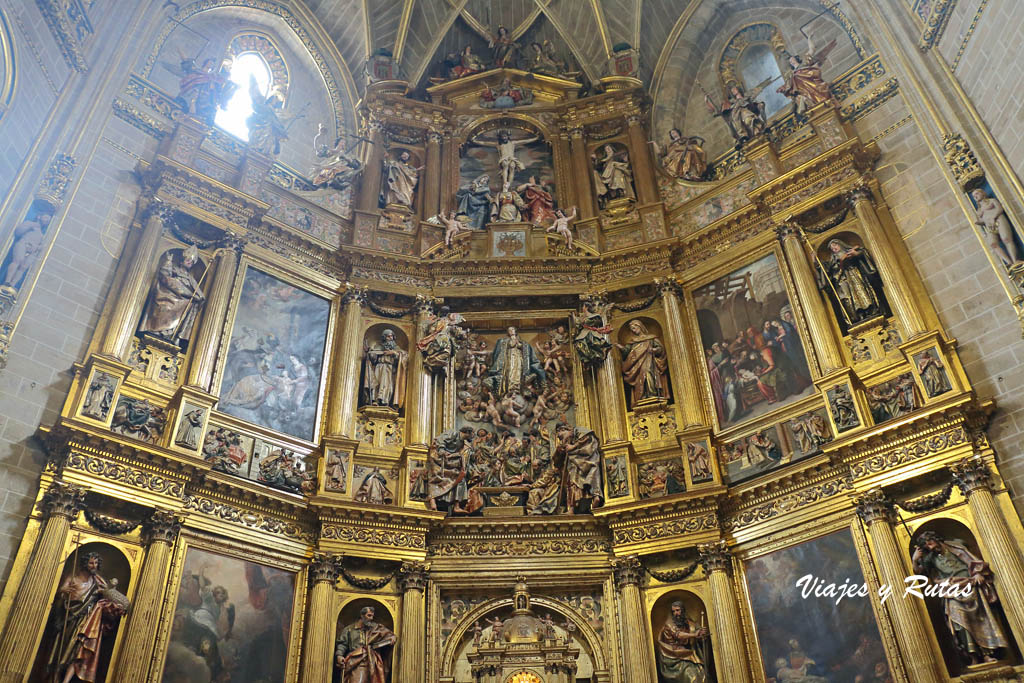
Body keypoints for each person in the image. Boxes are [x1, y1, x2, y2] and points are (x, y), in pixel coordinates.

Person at [912, 531, 1010, 665]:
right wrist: (915, 559)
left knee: (980, 620)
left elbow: (971, 560)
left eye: (930, 543)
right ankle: (973, 657)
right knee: (959, 622)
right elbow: (920, 573)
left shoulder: (956, 547)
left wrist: (977, 573)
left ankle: (986, 653)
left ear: (935, 538)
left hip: (970, 586)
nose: (930, 547)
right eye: (926, 546)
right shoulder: (929, 559)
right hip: (951, 590)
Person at [43, 552, 129, 683]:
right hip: (69, 618)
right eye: (91, 563)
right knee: (62, 649)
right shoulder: (73, 577)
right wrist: (65, 592)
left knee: (77, 649)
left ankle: (66, 680)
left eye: (96, 563)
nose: (94, 565)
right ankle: (55, 677)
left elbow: (108, 594)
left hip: (86, 619)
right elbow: (61, 591)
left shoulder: (98, 581)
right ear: (85, 563)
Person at [137, 245, 206, 347]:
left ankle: (174, 335)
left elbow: (199, 293)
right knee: (165, 305)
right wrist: (168, 262)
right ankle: (157, 330)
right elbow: (165, 276)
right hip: (167, 294)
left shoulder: (190, 278)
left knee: (190, 305)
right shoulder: (174, 269)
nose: (189, 263)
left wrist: (199, 298)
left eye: (191, 262)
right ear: (183, 259)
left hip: (183, 301)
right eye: (188, 260)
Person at [824, 238, 884, 324]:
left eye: (835, 245)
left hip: (856, 274)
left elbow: (862, 253)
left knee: (862, 291)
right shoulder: (833, 259)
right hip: (844, 279)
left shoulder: (850, 250)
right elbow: (832, 271)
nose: (835, 248)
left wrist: (856, 254)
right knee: (849, 297)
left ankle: (870, 310)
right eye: (832, 248)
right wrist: (841, 263)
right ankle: (857, 315)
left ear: (840, 244)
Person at [335, 606, 396, 683]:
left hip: (372, 661)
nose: (371, 618)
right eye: (369, 615)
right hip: (356, 661)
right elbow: (342, 644)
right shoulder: (349, 629)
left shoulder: (374, 628)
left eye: (372, 616)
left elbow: (387, 633)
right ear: (362, 615)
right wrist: (339, 655)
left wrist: (392, 637)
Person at [777, 39, 836, 118]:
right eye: (789, 61)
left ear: (796, 58)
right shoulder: (792, 74)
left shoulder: (803, 65)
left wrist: (809, 39)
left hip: (812, 87)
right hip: (804, 93)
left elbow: (812, 49)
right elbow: (789, 85)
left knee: (821, 97)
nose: (790, 61)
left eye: (792, 59)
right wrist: (782, 88)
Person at [617, 319, 670, 405]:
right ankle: (643, 396)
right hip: (637, 366)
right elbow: (627, 352)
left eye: (634, 328)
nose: (633, 330)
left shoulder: (651, 338)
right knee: (640, 379)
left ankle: (652, 394)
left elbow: (661, 349)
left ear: (640, 326)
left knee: (649, 374)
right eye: (632, 329)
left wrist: (655, 350)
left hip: (649, 361)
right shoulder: (633, 341)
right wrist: (621, 348)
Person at [485, 326, 546, 398]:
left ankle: (517, 387)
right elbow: (500, 350)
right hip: (509, 359)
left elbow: (525, 349)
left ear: (515, 331)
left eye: (512, 329)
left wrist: (520, 345)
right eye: (509, 330)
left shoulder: (522, 342)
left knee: (518, 371)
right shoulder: (504, 341)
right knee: (511, 371)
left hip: (519, 358)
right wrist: (511, 343)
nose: (511, 331)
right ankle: (511, 387)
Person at [656, 601, 709, 682]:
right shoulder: (669, 624)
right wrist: (694, 635)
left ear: (683, 611)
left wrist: (702, 634)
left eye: (678, 610)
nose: (676, 613)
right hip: (674, 658)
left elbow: (698, 634)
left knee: (703, 675)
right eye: (673, 611)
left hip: (689, 656)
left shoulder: (690, 623)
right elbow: (678, 634)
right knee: (693, 677)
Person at [970, 188, 1023, 268]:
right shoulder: (979, 209)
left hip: (999, 220)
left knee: (1006, 239)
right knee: (993, 244)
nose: (975, 196)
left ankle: (1015, 260)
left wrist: (993, 217)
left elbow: (999, 209)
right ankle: (1009, 262)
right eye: (974, 196)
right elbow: (981, 220)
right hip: (990, 227)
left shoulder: (992, 201)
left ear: (982, 193)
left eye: (977, 194)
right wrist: (978, 222)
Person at [557, 422, 603, 513]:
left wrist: (573, 447)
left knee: (592, 474)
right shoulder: (570, 439)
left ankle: (595, 497)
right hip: (577, 464)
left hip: (589, 459)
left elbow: (588, 440)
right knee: (572, 481)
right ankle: (572, 508)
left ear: (565, 430)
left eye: (561, 437)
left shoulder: (579, 431)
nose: (562, 440)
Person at [471, 129, 540, 188]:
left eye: (505, 136)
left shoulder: (512, 143)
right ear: (500, 137)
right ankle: (505, 183)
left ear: (508, 136)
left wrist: (535, 138)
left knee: (512, 166)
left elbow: (525, 141)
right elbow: (485, 143)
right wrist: (475, 141)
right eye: (503, 136)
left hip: (512, 158)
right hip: (503, 159)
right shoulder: (498, 144)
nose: (504, 138)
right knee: (505, 165)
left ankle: (509, 183)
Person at [2, 211, 50, 289]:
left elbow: (41, 246)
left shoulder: (41, 234)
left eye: (48, 220)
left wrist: (36, 247)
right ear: (39, 217)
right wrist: (29, 227)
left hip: (32, 251)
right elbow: (18, 232)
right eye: (46, 218)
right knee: (17, 261)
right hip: (23, 244)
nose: (47, 221)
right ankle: (7, 281)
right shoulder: (30, 224)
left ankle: (12, 284)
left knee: (23, 267)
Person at [363, 328, 408, 409]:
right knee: (376, 383)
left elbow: (404, 357)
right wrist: (370, 353)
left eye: (391, 337)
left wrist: (393, 353)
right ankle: (375, 400)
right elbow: (373, 359)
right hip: (379, 367)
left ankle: (385, 402)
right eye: (388, 337)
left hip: (389, 368)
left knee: (387, 385)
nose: (391, 338)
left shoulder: (396, 348)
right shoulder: (378, 346)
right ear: (384, 338)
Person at [311, 123, 362, 191]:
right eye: (342, 142)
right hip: (330, 167)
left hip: (340, 168)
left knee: (348, 171)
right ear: (338, 142)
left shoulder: (345, 153)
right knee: (327, 173)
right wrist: (319, 135)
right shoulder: (332, 151)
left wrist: (347, 159)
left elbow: (350, 161)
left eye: (344, 143)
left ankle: (338, 182)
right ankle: (328, 184)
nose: (343, 144)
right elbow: (318, 149)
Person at [247, 80, 291, 156]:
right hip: (261, 130)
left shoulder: (273, 112)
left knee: (267, 146)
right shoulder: (265, 107)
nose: (276, 102)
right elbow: (256, 106)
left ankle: (265, 152)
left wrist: (282, 130)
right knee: (258, 146)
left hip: (269, 134)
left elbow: (276, 123)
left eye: (277, 101)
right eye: (276, 99)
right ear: (272, 98)